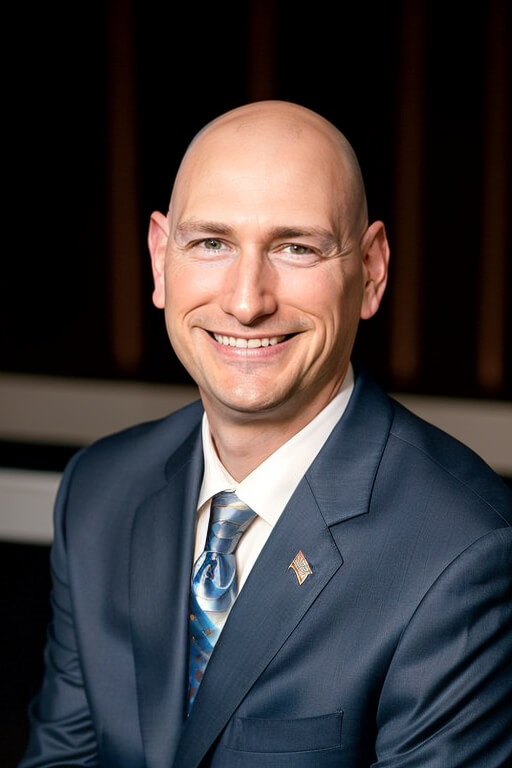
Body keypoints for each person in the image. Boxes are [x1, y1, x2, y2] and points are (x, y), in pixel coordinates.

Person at [20, 100, 511, 768]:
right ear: (160, 260)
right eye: (212, 243)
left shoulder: (465, 551)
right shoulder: (99, 490)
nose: (247, 301)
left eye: (296, 247)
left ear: (371, 271)